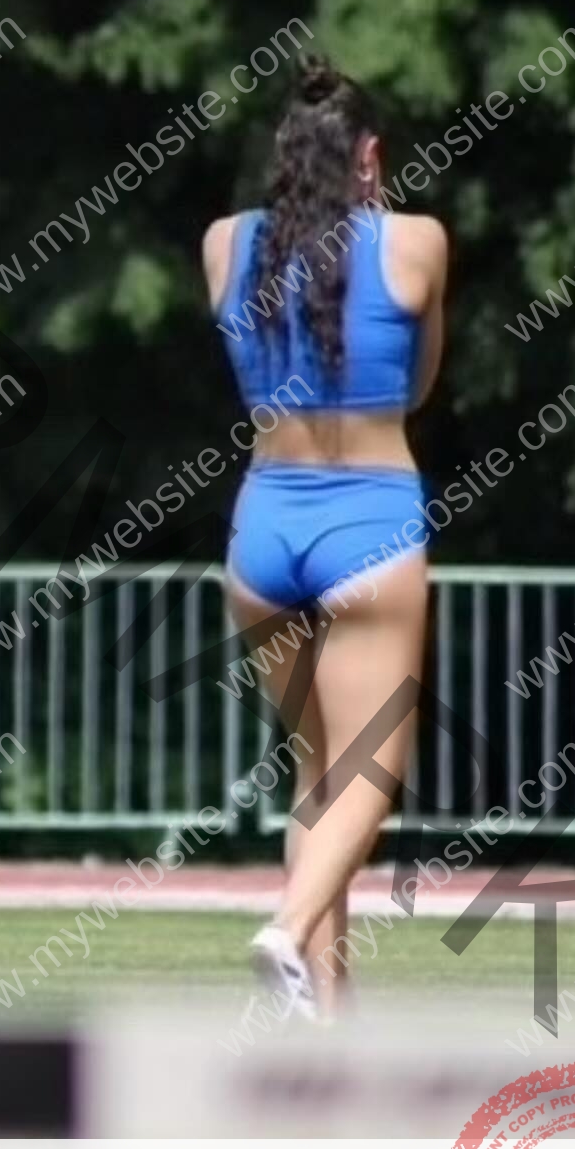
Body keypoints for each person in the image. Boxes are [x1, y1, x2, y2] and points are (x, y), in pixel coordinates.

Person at [202, 56, 447, 1018]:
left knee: (317, 773)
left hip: (263, 529)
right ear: (370, 156)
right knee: (372, 775)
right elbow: (417, 385)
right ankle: (286, 929)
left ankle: (328, 1027)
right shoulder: (416, 242)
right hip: (371, 524)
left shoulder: (226, 244)